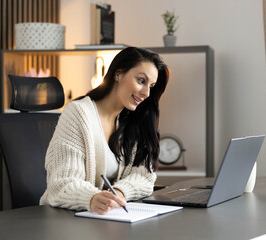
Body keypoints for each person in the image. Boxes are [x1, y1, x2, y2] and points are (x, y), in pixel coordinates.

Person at [40, 47, 169, 214]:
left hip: (106, 218)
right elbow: (62, 183)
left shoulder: (132, 120)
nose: (146, 93)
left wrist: (119, 193)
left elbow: (144, 177)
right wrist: (92, 198)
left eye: (151, 86)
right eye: (141, 81)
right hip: (65, 218)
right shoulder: (78, 114)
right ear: (118, 73)